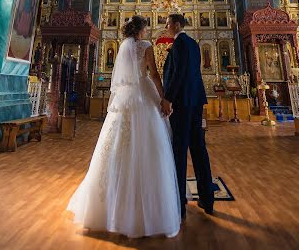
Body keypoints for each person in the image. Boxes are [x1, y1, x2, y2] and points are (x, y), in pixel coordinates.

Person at [67, 16, 181, 238]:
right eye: (146, 27)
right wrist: (163, 97)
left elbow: (120, 77)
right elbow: (154, 75)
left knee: (117, 146)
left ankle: (110, 208)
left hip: (125, 96)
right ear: (141, 29)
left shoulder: (123, 46)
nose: (148, 31)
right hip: (142, 95)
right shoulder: (146, 46)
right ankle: (144, 210)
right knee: (148, 147)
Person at [162, 14, 214, 219]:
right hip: (196, 101)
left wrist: (168, 98)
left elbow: (178, 74)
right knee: (199, 149)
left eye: (167, 24)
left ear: (176, 25)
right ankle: (207, 199)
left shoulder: (179, 44)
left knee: (180, 150)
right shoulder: (193, 44)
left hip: (182, 104)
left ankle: (180, 203)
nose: (165, 27)